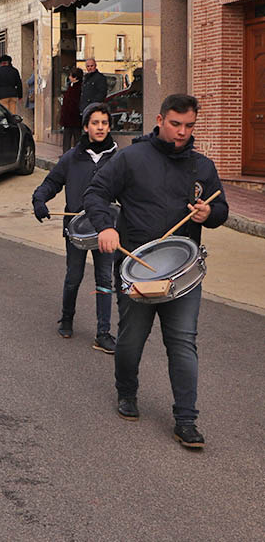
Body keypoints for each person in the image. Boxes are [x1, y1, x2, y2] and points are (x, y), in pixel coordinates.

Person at [85, 94, 229, 449]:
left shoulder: (203, 167)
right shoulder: (132, 158)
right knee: (131, 340)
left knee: (182, 342)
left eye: (189, 126)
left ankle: (186, 420)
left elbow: (221, 207)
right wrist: (106, 226)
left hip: (182, 272)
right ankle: (127, 391)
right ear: (160, 119)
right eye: (175, 124)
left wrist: (209, 215)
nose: (182, 132)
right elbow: (96, 193)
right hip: (138, 268)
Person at [33, 103, 118, 350]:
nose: (100, 127)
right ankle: (67, 318)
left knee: (104, 278)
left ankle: (103, 333)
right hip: (77, 229)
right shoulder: (72, 157)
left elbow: (132, 192)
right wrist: (39, 199)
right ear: (85, 127)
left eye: (104, 123)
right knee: (74, 276)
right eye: (95, 123)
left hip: (105, 230)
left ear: (109, 126)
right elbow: (51, 182)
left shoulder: (119, 158)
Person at [61, 68, 84, 153]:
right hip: (69, 117)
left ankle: (75, 153)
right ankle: (66, 153)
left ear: (75, 77)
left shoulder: (77, 88)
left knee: (75, 136)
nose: (69, 77)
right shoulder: (71, 85)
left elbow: (73, 103)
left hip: (73, 117)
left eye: (71, 75)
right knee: (67, 136)